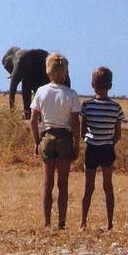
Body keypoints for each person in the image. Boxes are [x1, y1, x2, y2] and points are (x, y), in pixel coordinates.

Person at [30, 53, 80, 229]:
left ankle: (46, 222)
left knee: (47, 183)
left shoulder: (41, 91)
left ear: (48, 72)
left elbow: (33, 120)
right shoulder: (71, 94)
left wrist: (37, 142)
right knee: (63, 184)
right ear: (65, 73)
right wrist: (77, 145)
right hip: (65, 138)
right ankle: (62, 223)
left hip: (47, 137)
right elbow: (75, 123)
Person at [80, 66, 124, 230]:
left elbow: (83, 130)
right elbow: (117, 133)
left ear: (92, 84)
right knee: (108, 187)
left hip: (91, 148)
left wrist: (89, 139)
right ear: (110, 86)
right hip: (107, 149)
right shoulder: (116, 107)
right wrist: (109, 142)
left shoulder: (87, 106)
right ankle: (109, 223)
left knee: (88, 187)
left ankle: (83, 222)